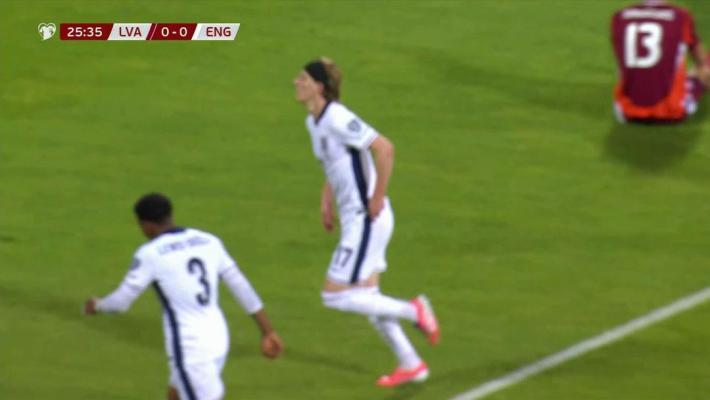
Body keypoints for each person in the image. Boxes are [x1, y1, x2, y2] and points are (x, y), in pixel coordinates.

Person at [293, 57, 440, 387]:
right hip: (357, 220)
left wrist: (376, 197)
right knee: (368, 297)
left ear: (319, 87)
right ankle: (411, 363)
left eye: (303, 79)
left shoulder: (338, 117)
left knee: (334, 295)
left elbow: (384, 149)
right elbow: (335, 163)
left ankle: (415, 310)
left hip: (367, 218)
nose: (296, 83)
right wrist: (326, 199)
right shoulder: (313, 122)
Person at [84, 193, 283, 400]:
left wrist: (98, 305)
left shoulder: (150, 254)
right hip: (218, 337)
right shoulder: (209, 241)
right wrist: (267, 331)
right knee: (176, 393)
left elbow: (120, 303)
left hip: (190, 348)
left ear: (146, 225)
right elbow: (241, 286)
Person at [611, 0, 710, 123]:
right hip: (673, 111)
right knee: (704, 66)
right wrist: (701, 70)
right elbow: (699, 59)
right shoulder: (680, 16)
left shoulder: (619, 16)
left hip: (626, 111)